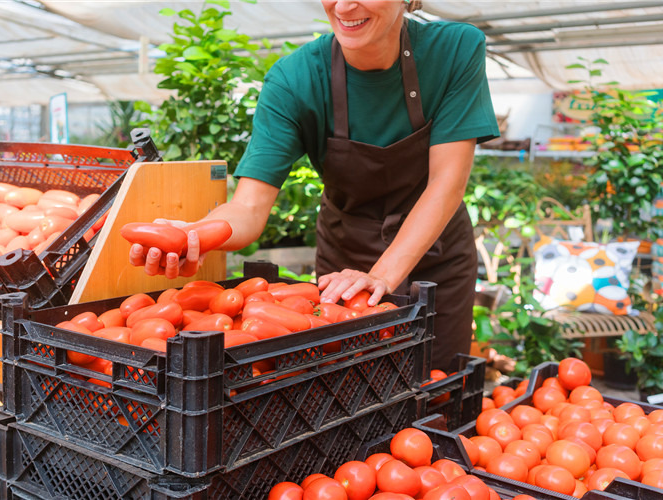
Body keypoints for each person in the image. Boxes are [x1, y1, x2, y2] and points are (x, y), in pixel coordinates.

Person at [129, 0, 499, 370]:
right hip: (344, 266)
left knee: (434, 384)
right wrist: (197, 234)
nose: (344, 5)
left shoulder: (454, 50)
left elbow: (446, 184)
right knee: (343, 392)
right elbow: (249, 206)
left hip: (436, 263)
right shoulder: (295, 79)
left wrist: (380, 277)